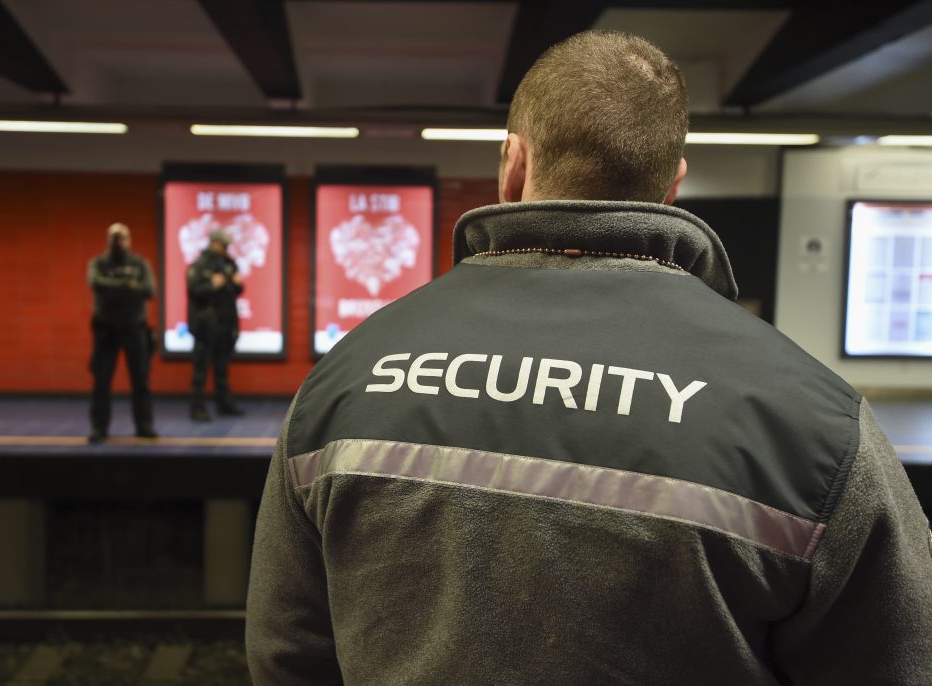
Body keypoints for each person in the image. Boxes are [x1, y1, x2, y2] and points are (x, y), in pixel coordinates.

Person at [246, 30, 932, 685]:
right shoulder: (816, 426)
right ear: (672, 185)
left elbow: (287, 653)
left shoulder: (348, 375)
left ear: (513, 164)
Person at [87, 222, 157, 443]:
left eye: (122, 238)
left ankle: (144, 425)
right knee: (101, 381)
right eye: (114, 238)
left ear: (129, 240)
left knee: (141, 380)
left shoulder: (140, 263)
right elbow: (96, 284)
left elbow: (149, 290)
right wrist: (128, 286)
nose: (119, 242)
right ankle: (99, 427)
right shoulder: (98, 263)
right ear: (108, 240)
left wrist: (115, 288)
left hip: (134, 329)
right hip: (106, 330)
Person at [186, 230, 245, 420]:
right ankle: (197, 408)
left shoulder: (229, 264)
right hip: (205, 325)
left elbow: (236, 289)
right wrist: (212, 285)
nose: (226, 249)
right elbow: (194, 290)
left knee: (222, 368)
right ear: (214, 243)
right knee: (201, 370)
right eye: (223, 245)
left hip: (226, 324)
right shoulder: (199, 265)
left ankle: (223, 403)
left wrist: (237, 284)